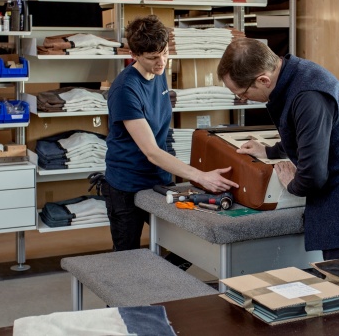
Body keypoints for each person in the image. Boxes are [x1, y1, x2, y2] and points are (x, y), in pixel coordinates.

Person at [217, 38, 339, 261]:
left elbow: (313, 175)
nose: (243, 99)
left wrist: (291, 184)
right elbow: (307, 133)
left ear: (263, 80)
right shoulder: (294, 74)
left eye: (242, 94)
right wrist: (270, 151)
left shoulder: (308, 96)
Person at [102, 15, 239, 252]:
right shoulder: (125, 90)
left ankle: (161, 286)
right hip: (127, 184)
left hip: (159, 180)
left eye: (164, 52)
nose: (161, 61)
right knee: (126, 258)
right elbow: (151, 152)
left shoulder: (158, 72)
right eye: (153, 57)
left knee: (183, 248)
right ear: (134, 56)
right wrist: (199, 176)